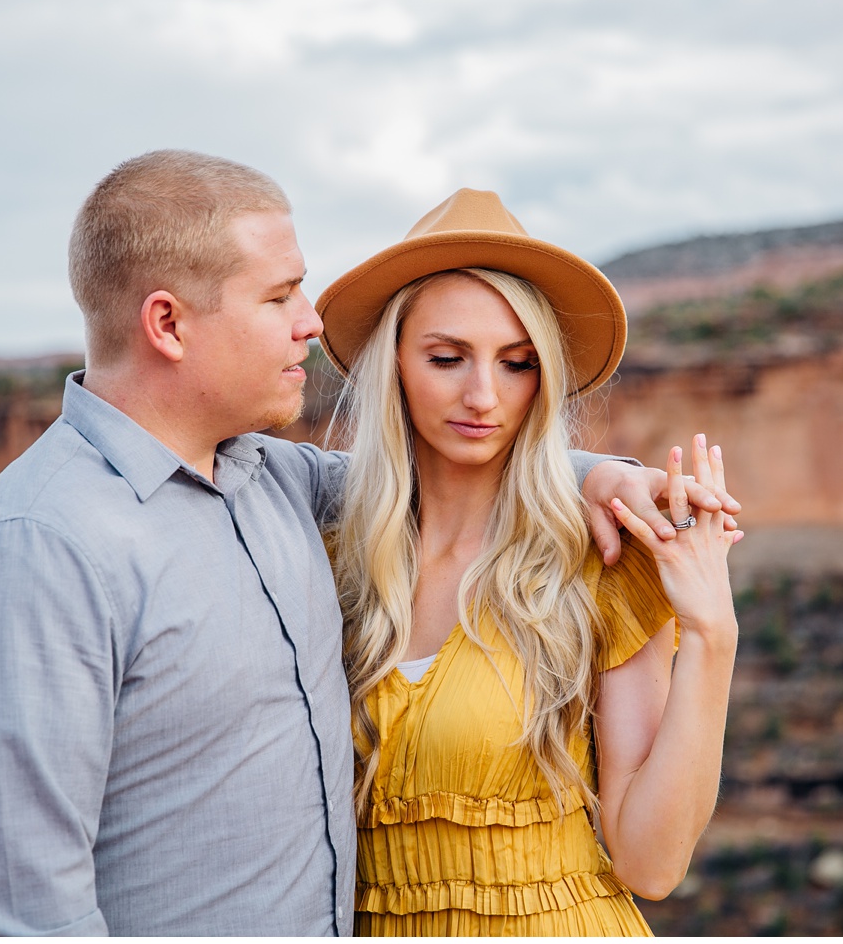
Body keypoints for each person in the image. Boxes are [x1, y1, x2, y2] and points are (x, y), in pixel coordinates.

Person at [0, 152, 733, 935]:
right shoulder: (40, 549)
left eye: (518, 364)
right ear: (166, 323)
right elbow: (25, 915)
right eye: (280, 298)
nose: (310, 323)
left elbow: (445, 472)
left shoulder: (268, 479)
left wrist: (609, 482)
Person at [315, 189, 743, 935]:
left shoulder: (599, 560)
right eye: (447, 357)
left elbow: (652, 862)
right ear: (395, 367)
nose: (483, 395)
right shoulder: (325, 561)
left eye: (516, 364)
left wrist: (712, 633)